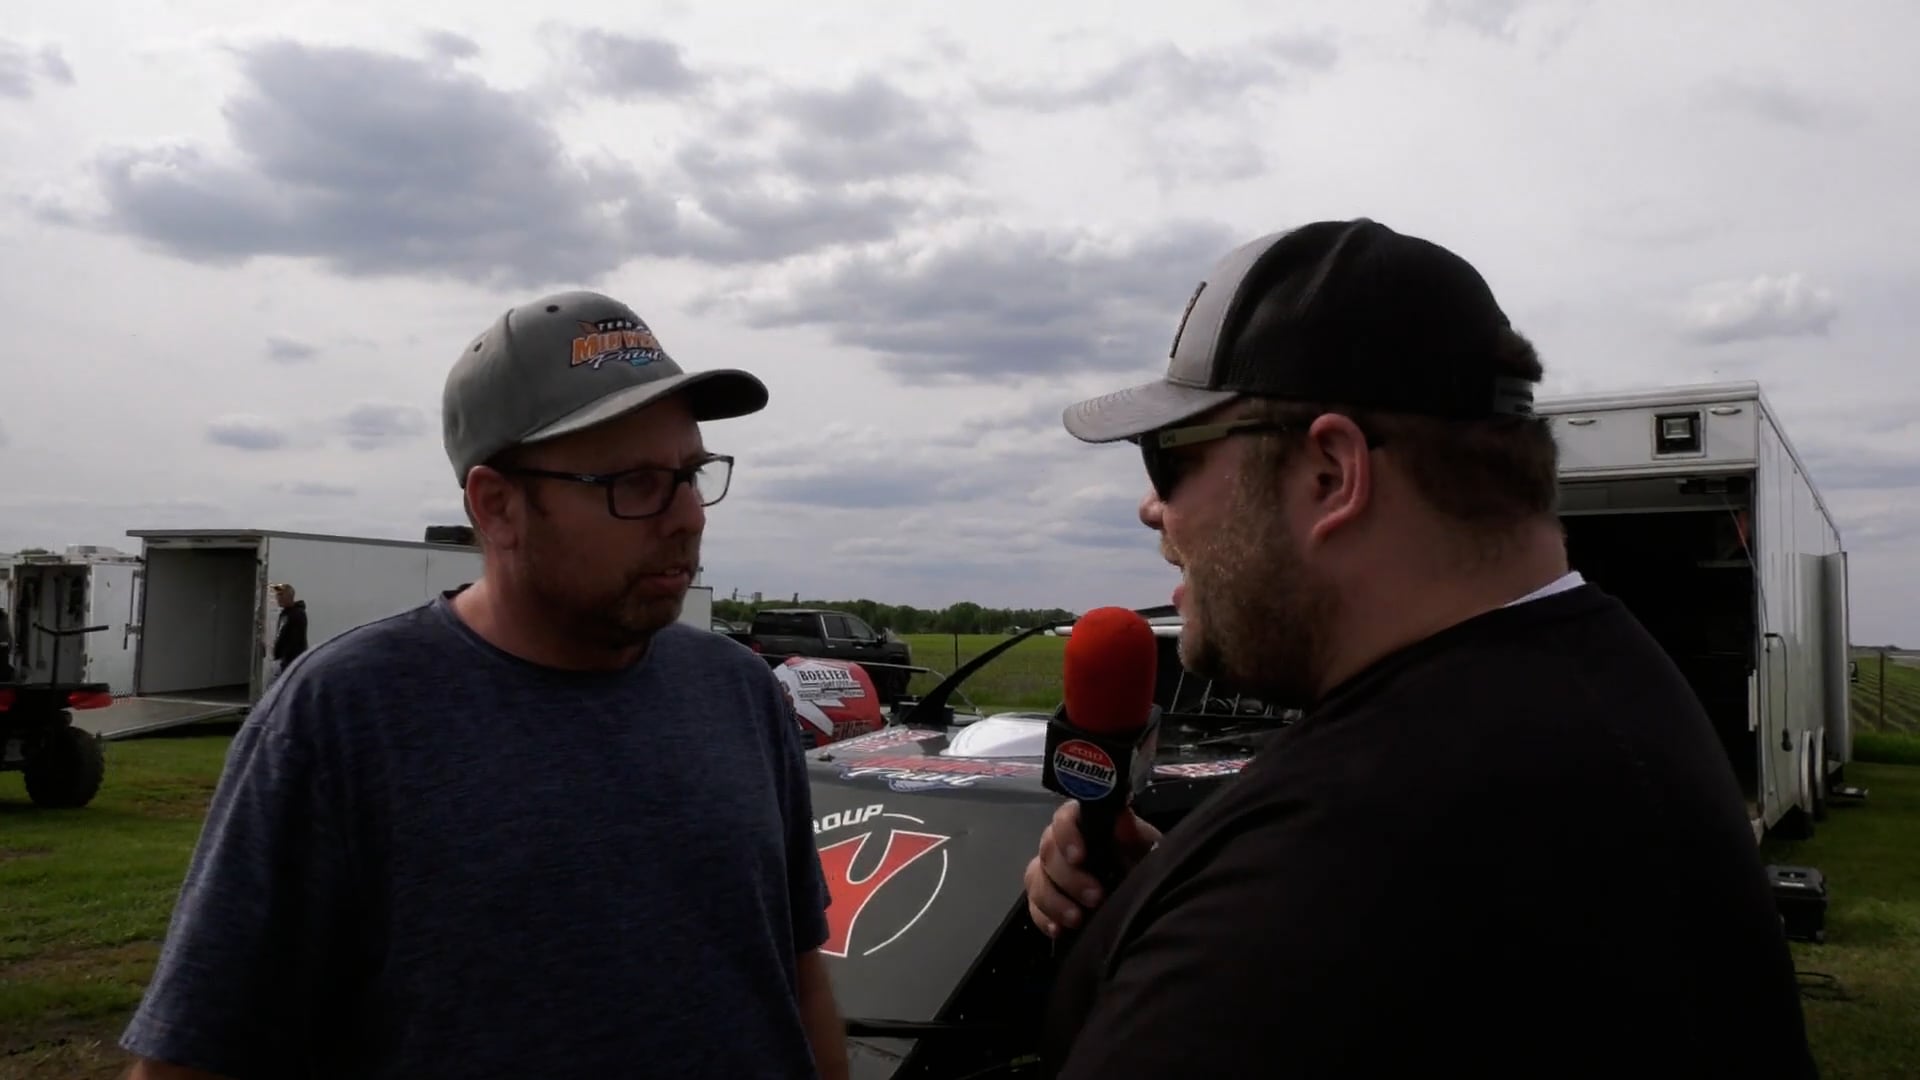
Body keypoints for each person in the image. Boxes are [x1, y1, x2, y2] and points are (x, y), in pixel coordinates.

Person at [1023, 219, 1818, 1078]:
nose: (1154, 511)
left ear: (1331, 473)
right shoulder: (1595, 680)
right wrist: (1164, 883)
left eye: (1166, 458)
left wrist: (1193, 915)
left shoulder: (1322, 888)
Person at [120, 290, 849, 1080]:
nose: (688, 517)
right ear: (496, 506)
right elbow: (198, 1051)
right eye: (636, 482)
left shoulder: (737, 692)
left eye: (692, 474)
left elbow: (797, 976)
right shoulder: (346, 715)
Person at [268, 582, 307, 676]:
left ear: (289, 596)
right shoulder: (284, 614)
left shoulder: (297, 615)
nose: (278, 597)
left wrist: (284, 660)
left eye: (281, 594)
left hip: (291, 662)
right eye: (277, 595)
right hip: (282, 661)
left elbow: (295, 641)